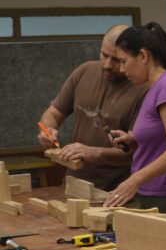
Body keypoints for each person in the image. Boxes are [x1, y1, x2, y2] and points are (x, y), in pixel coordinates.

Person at [103, 22, 166, 219]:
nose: (121, 69)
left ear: (143, 56)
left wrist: (135, 180)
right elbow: (162, 135)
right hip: (157, 193)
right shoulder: (154, 88)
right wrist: (133, 139)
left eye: (123, 61)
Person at [37, 24, 149, 190]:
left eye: (117, 60)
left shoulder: (144, 89)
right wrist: (47, 130)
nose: (107, 65)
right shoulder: (84, 71)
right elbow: (53, 113)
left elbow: (135, 152)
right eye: (104, 55)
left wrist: (94, 153)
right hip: (75, 185)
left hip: (118, 191)